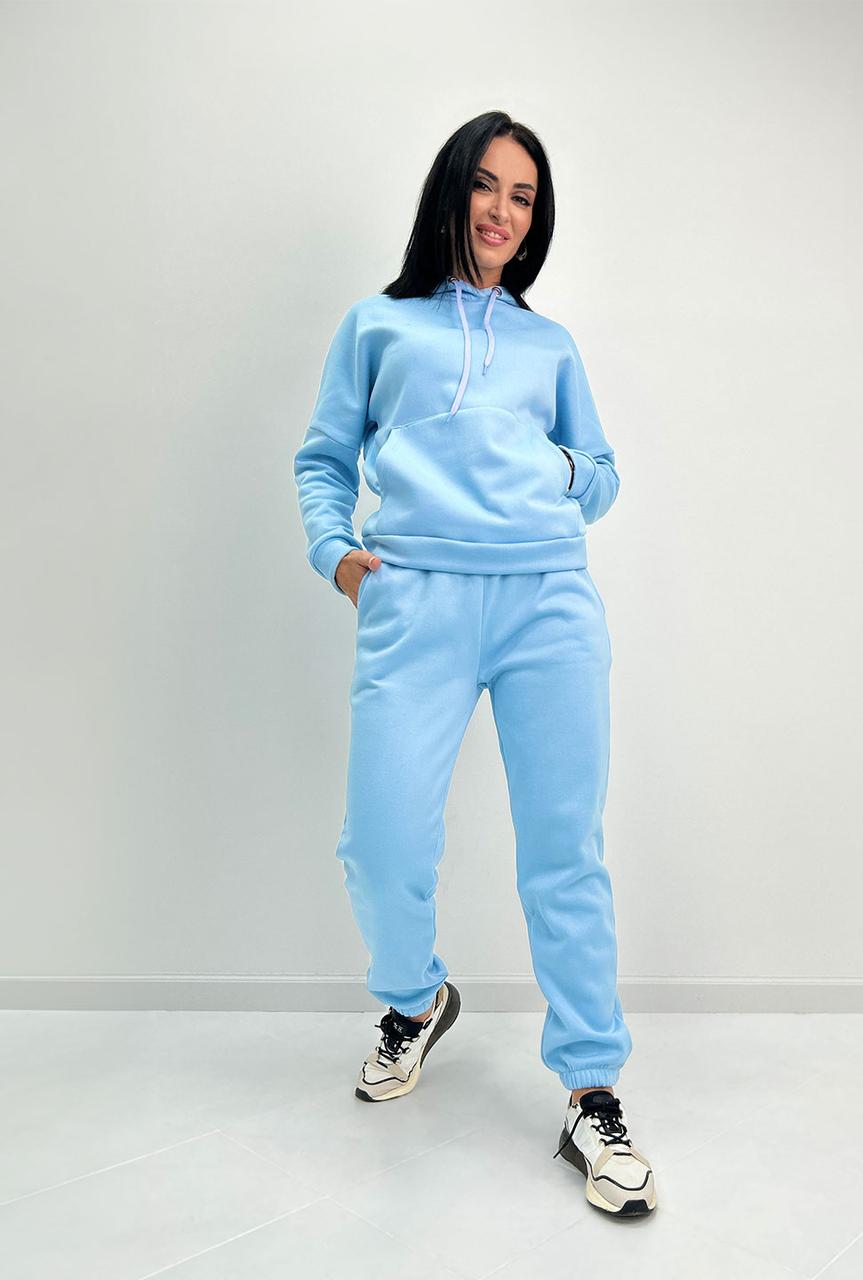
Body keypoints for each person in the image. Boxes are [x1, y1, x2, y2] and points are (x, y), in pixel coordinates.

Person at [293, 111, 656, 1216]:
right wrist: (338, 554)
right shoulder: (376, 325)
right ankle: (416, 998)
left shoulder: (551, 347)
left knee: (563, 852)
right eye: (487, 186)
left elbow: (600, 474)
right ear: (450, 190)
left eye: (524, 197)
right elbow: (323, 457)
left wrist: (547, 466)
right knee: (381, 838)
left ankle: (592, 1090)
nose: (503, 211)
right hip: (417, 598)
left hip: (547, 600)